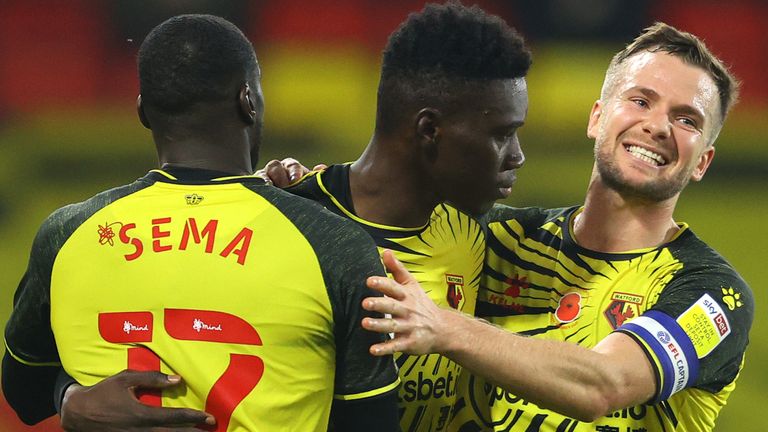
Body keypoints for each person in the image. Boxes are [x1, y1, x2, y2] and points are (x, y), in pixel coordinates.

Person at [44, 3, 534, 432]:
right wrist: (70, 395)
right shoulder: (289, 221)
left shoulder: (495, 238)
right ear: (429, 129)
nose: (517, 156)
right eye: (501, 134)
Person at [1, 14, 400, 432]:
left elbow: (24, 393)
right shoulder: (332, 245)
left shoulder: (66, 234)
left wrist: (69, 396)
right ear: (248, 100)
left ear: (142, 112)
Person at [361, 22, 754, 431]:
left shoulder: (712, 296)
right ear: (597, 118)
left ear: (703, 162)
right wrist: (303, 183)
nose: (657, 126)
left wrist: (445, 327)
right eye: (640, 101)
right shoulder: (496, 240)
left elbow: (606, 384)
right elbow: (380, 206)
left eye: (686, 120)